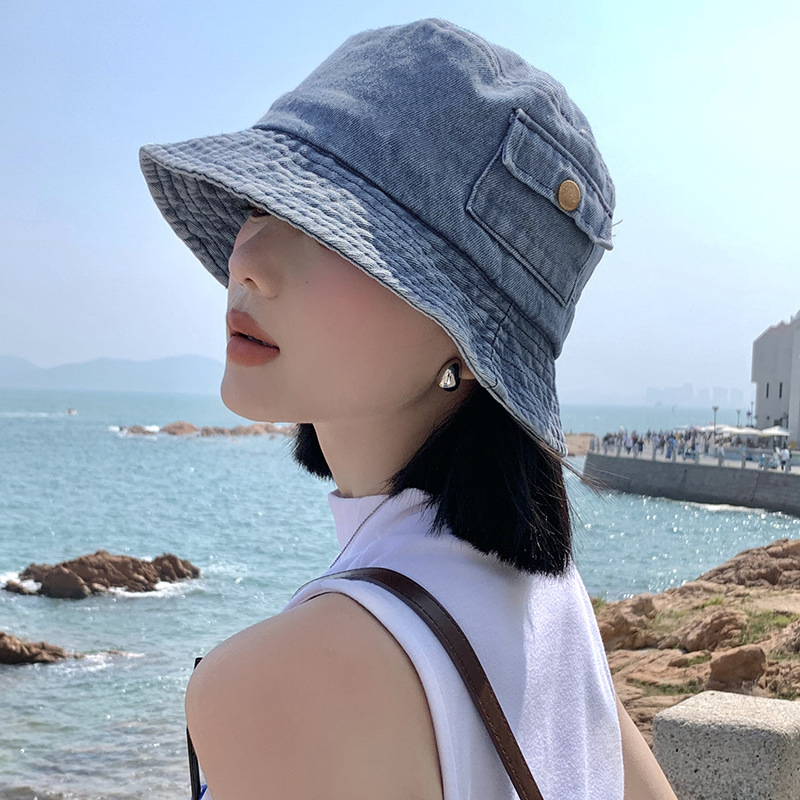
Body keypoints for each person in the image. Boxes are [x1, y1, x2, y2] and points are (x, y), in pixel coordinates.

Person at [140, 19, 676, 800]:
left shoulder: (280, 688)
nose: (247, 261)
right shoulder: (548, 602)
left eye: (330, 229)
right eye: (259, 204)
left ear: (465, 337)